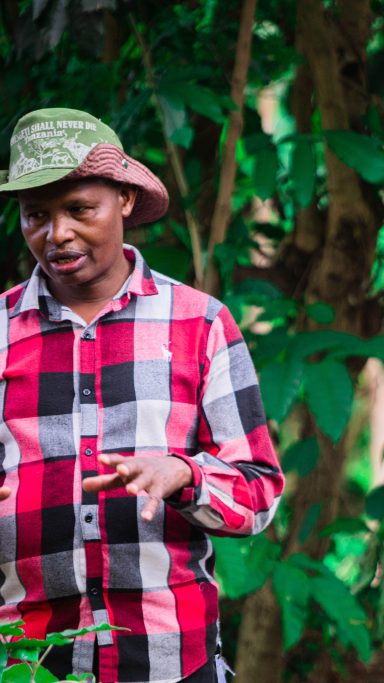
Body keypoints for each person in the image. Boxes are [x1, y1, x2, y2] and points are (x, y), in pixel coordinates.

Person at [0, 108, 284, 683]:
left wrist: (182, 474)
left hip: (172, 657)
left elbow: (258, 492)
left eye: (80, 209)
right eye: (36, 215)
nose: (57, 234)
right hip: (27, 662)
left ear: (124, 200)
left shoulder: (201, 323)